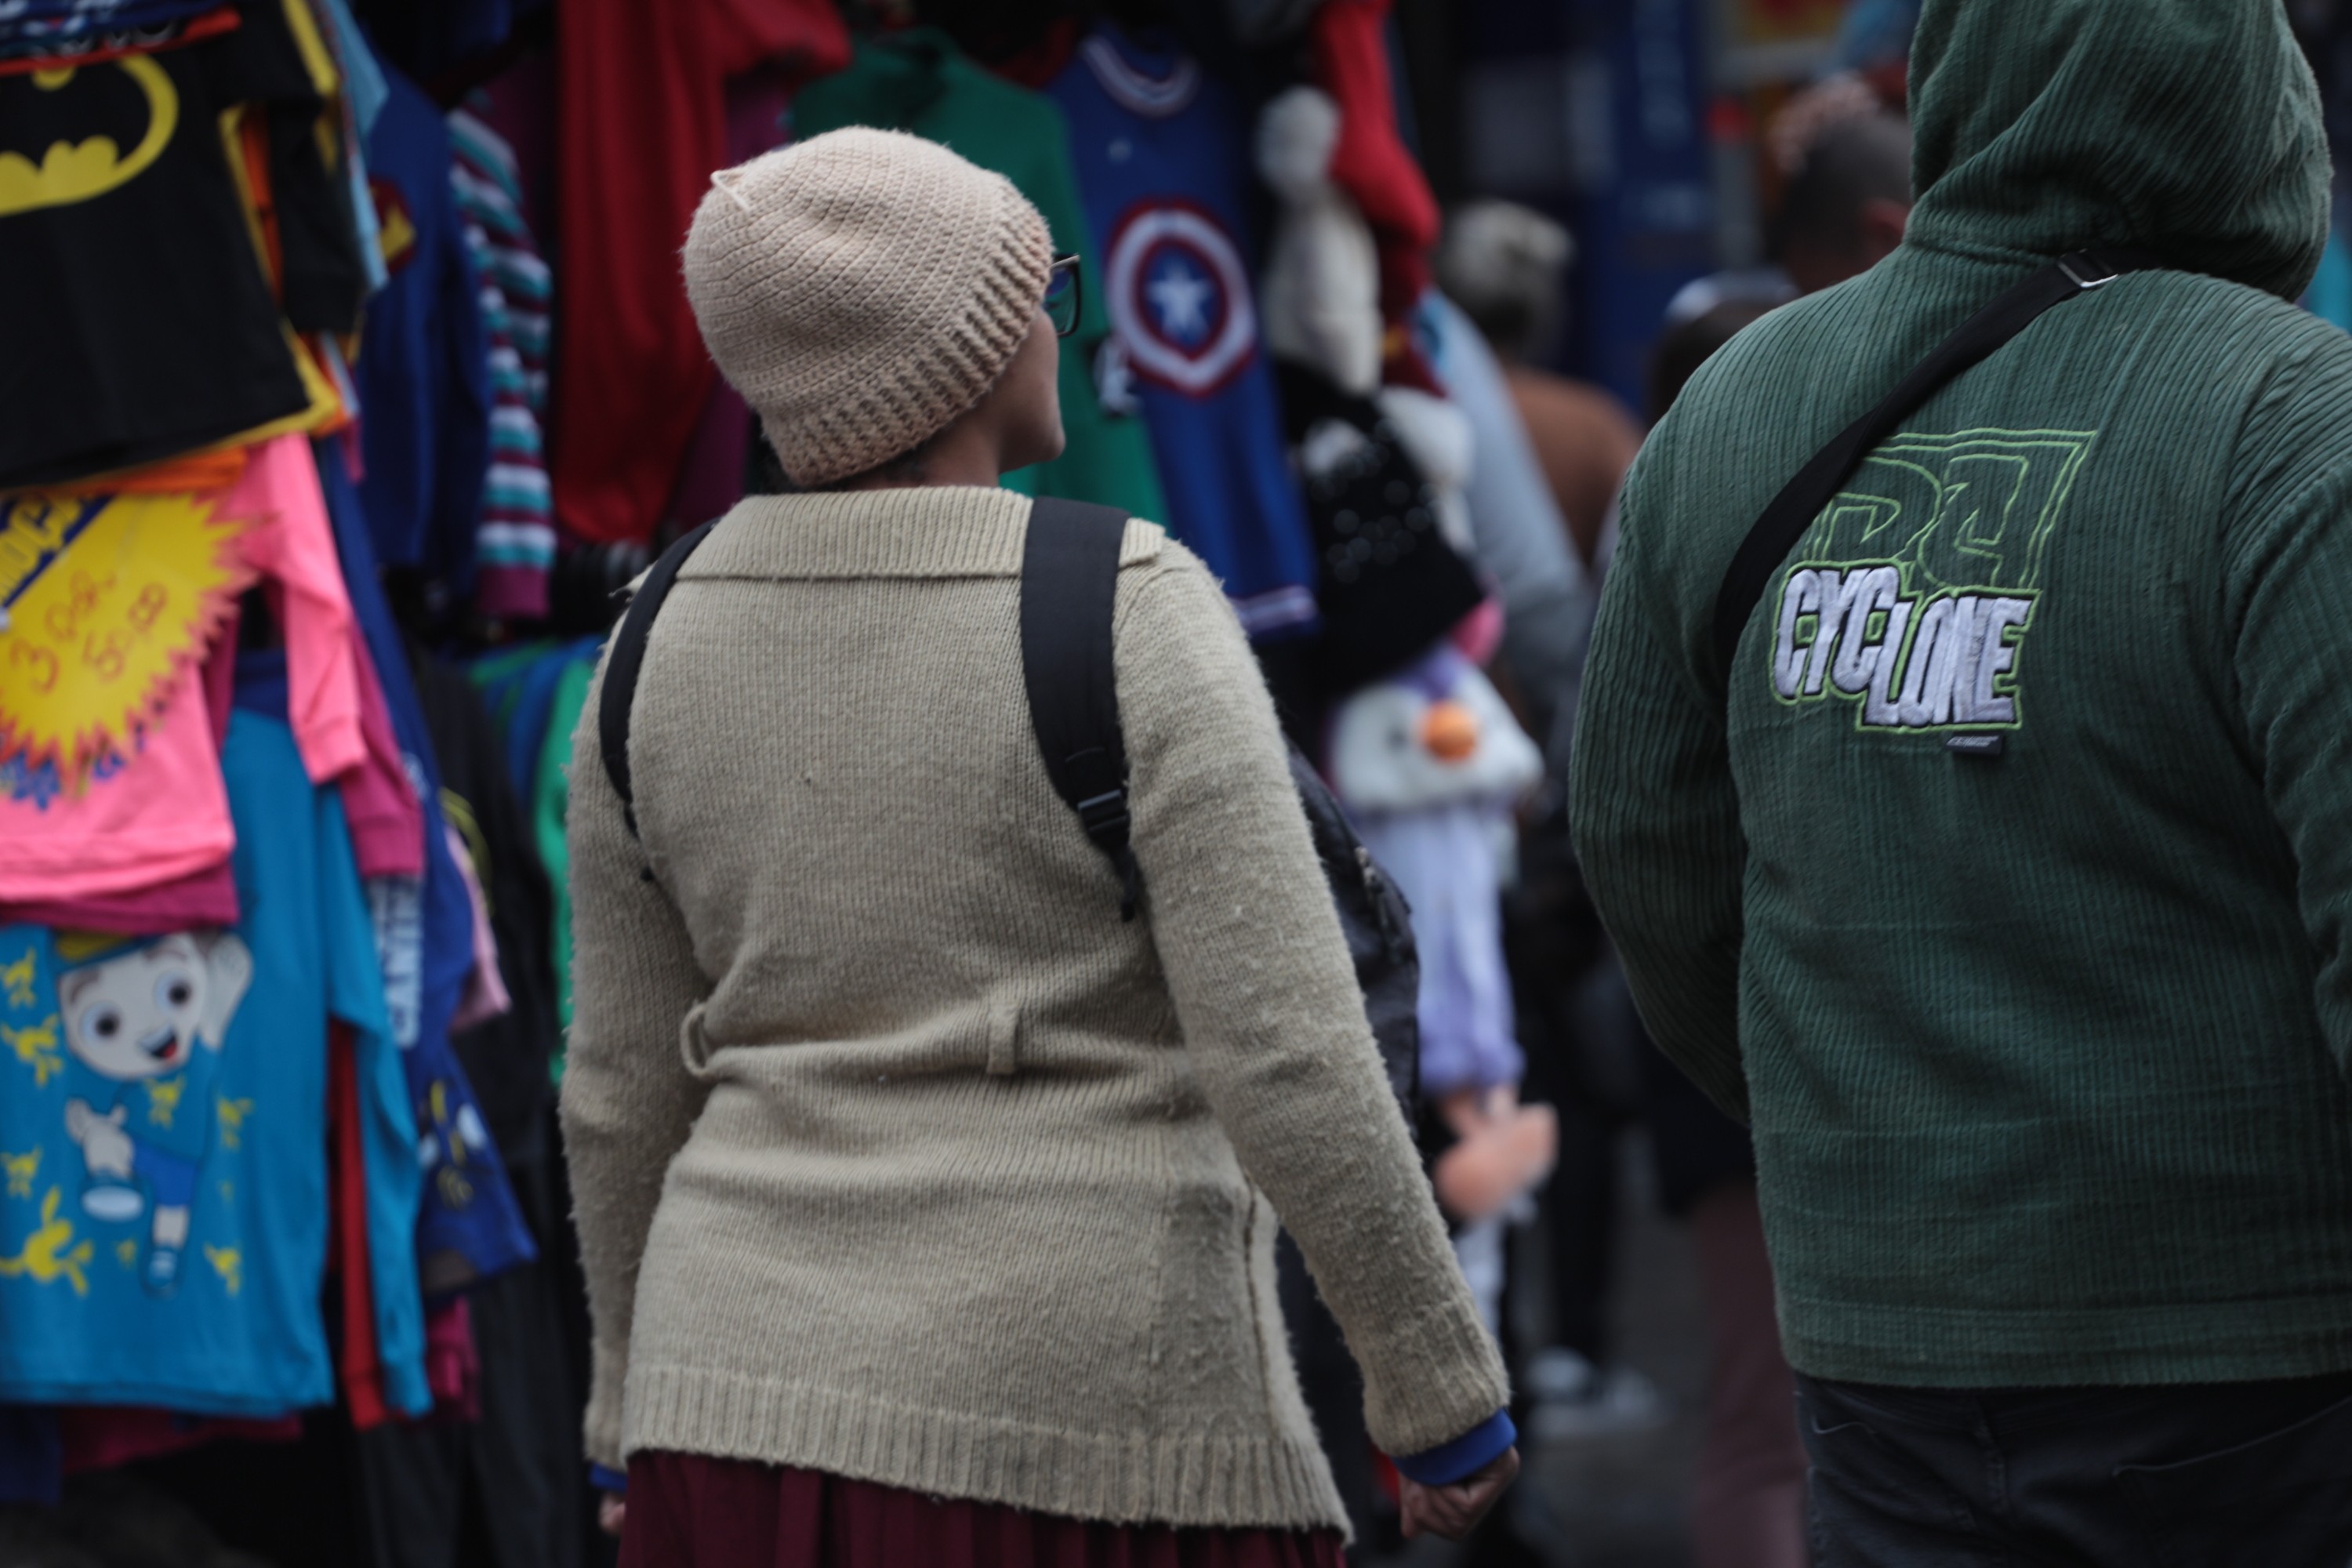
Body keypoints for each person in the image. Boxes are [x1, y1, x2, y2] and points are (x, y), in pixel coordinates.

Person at [559, 127, 1518, 1567]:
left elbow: (622, 1088)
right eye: (1042, 288)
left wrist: (624, 1409)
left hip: (726, 1416)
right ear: (975, 346)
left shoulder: (648, 639)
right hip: (1083, 1434)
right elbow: (1287, 1043)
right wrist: (1436, 1388)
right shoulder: (1125, 599)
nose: (1060, 327)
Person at [1571, 0, 2352, 1560]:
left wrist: (1871, 1111)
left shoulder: (1733, 406)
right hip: (2253, 1360)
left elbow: (1643, 852)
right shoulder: (2291, 419)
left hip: (1882, 1354)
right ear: (2250, 93)